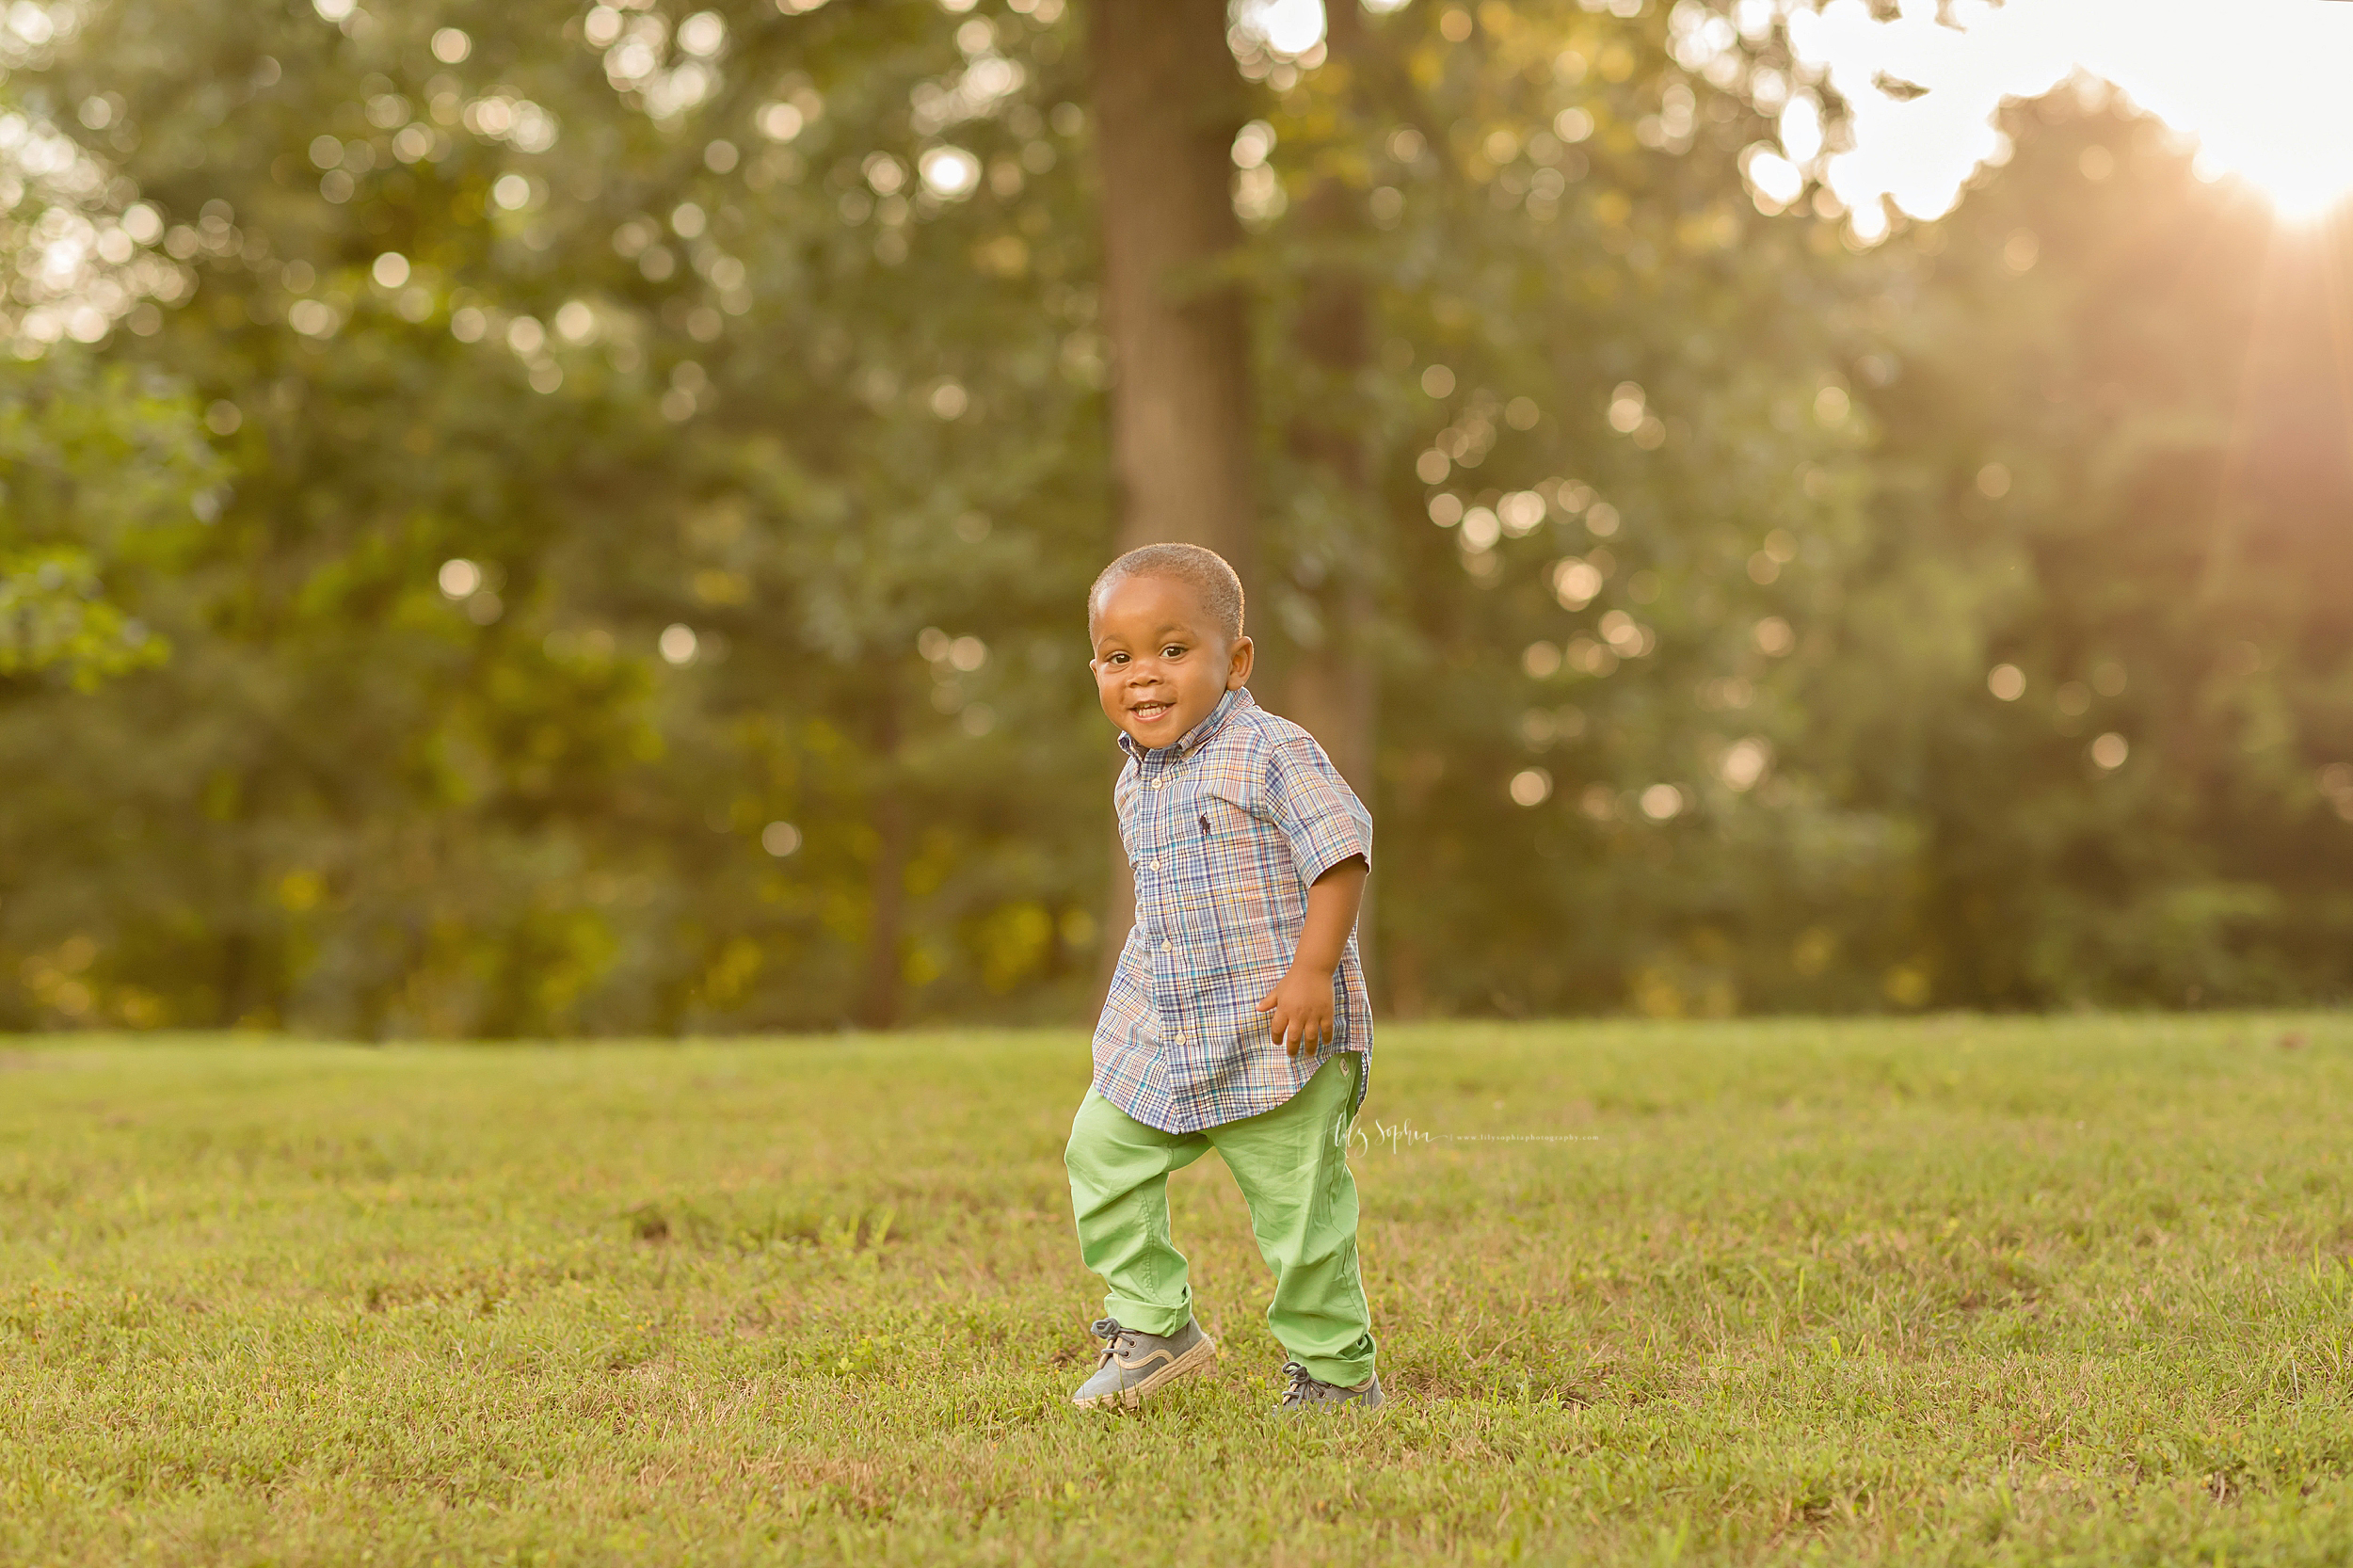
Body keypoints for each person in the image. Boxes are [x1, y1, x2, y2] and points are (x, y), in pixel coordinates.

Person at [1064, 542, 1383, 1415]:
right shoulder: (1134, 780)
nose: (1144, 677)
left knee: (1299, 1219)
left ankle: (1335, 1374)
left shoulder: (1269, 750)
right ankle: (1156, 1326)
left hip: (1280, 1035)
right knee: (1100, 1152)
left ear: (1234, 661)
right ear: (1095, 669)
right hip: (1164, 1035)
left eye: (1173, 650)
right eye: (1119, 657)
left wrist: (1314, 971)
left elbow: (1340, 853)